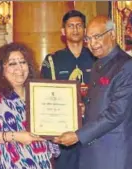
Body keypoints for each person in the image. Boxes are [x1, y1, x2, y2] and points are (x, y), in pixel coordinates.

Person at [53, 15, 132, 169]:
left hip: (117, 155)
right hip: (96, 154)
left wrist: (78, 135)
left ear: (113, 34)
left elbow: (116, 113)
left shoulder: (126, 66)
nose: (92, 44)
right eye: (88, 39)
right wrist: (82, 110)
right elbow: (99, 104)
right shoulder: (98, 66)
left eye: (97, 37)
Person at [0, 42, 60, 169]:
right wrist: (17, 136)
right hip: (0, 164)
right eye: (12, 64)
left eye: (23, 62)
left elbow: (50, 130)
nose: (19, 68)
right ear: (1, 69)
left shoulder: (38, 94)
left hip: (37, 162)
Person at [40, 10, 95, 169]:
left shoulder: (96, 58)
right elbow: (44, 97)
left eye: (79, 25)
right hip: (63, 130)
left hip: (91, 128)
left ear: (85, 30)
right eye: (71, 26)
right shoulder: (53, 60)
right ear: (63, 31)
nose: (75, 29)